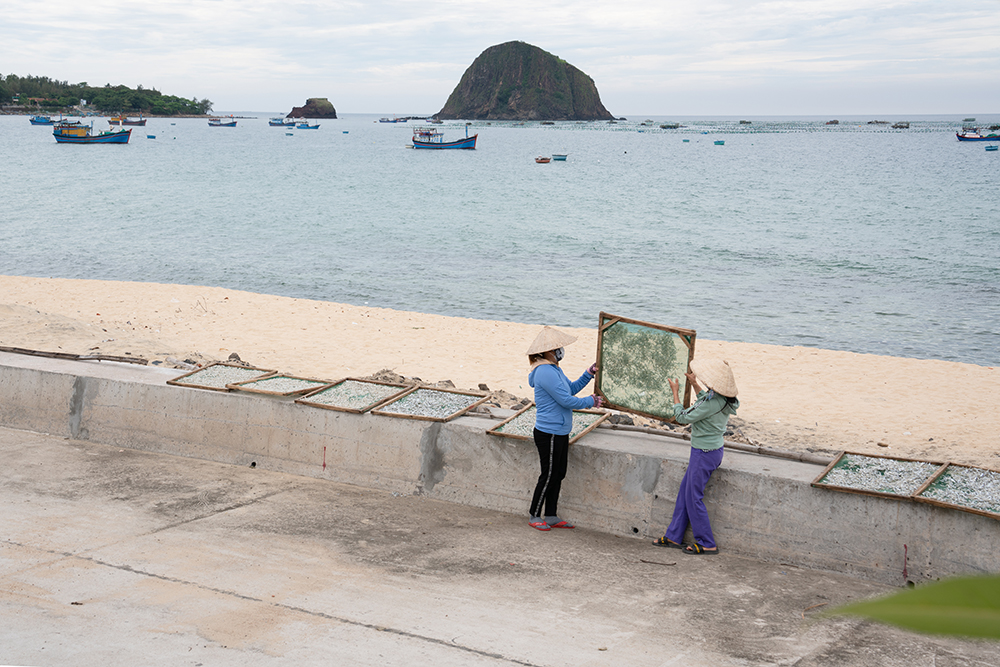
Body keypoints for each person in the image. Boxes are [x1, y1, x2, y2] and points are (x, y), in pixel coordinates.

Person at [653, 358, 739, 554]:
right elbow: (707, 401)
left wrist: (675, 393)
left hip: (703, 454)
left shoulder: (712, 402)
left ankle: (707, 542)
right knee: (685, 491)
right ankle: (674, 536)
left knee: (693, 497)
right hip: (710, 451)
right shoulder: (722, 400)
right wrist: (693, 384)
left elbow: (682, 417)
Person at [525, 326, 603, 532]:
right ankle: (535, 514)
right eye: (557, 347)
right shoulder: (543, 372)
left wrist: (588, 374)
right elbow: (566, 400)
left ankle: (550, 514)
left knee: (559, 473)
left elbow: (571, 389)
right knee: (548, 474)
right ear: (548, 350)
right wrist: (591, 401)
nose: (560, 350)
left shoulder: (554, 369)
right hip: (548, 432)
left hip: (559, 431)